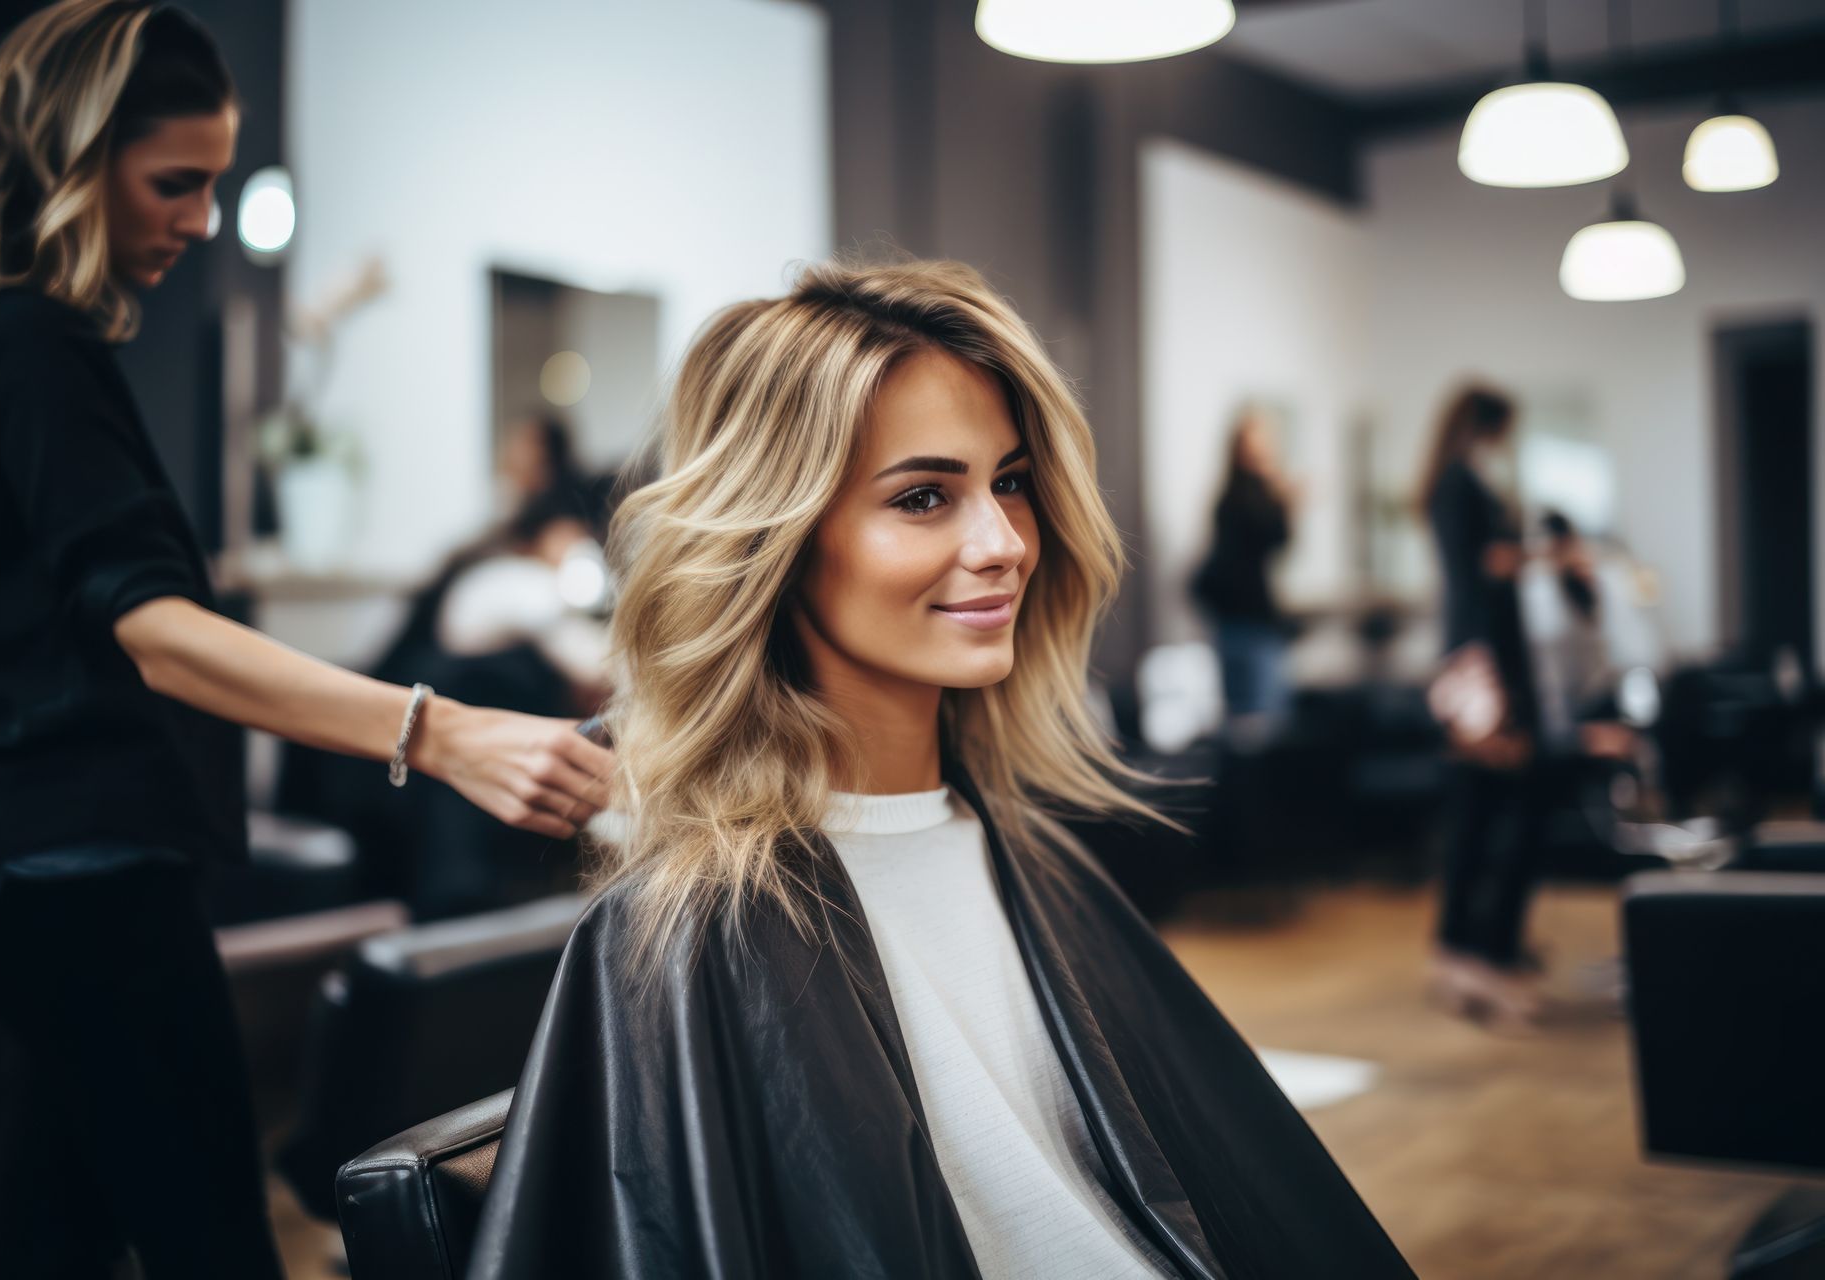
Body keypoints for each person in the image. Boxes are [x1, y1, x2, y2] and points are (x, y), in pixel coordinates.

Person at [469, 261, 1413, 1279]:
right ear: (775, 542)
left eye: (1009, 482)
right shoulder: (705, 925)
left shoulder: (1029, 852)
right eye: (923, 496)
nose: (1003, 540)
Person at [0, 4, 611, 1274]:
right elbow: (161, 637)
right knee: (212, 1238)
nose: (203, 219)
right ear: (73, 159)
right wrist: (437, 730)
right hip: (81, 869)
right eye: (176, 182)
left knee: (45, 1232)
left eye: (216, 183)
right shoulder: (36, 341)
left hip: (8, 862)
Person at [279, 480, 613, 918]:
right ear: (546, 531)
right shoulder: (511, 581)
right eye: (577, 535)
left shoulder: (489, 574)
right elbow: (595, 664)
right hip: (409, 777)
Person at [1419, 383, 1551, 1030]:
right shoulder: (1459, 486)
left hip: (1480, 662)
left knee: (1481, 811)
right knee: (1494, 810)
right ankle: (1475, 954)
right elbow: (1477, 577)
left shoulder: (1456, 482)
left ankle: (1469, 953)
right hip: (1483, 668)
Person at [1192, 407, 1296, 722]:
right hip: (1249, 620)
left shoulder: (1228, 496)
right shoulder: (1247, 497)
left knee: (1242, 716)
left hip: (1234, 618)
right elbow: (1277, 538)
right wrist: (1284, 501)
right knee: (1263, 719)